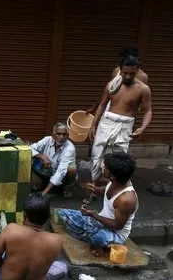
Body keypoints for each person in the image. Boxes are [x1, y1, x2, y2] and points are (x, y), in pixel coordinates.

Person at [57, 152, 138, 257]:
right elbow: (105, 190)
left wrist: (93, 215)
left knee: (97, 237)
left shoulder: (126, 200)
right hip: (100, 221)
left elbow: (117, 226)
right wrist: (93, 189)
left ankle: (96, 241)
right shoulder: (117, 180)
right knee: (63, 214)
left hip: (115, 233)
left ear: (113, 175)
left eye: (105, 167)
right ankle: (90, 236)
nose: (102, 168)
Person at [88, 55, 152, 183]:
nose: (128, 76)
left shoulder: (143, 89)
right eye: (125, 73)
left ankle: (114, 188)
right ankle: (93, 186)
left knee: (118, 159)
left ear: (137, 71)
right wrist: (93, 125)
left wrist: (142, 128)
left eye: (132, 74)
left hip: (125, 125)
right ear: (120, 70)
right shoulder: (111, 85)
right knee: (97, 156)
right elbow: (102, 104)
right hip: (106, 122)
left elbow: (148, 111)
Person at [86, 46, 149, 116]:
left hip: (126, 113)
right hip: (109, 107)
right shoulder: (117, 71)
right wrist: (94, 107)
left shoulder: (143, 77)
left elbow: (141, 101)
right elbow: (107, 92)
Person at [30, 122, 77, 197]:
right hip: (50, 168)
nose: (61, 137)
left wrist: (43, 194)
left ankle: (64, 187)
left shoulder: (70, 148)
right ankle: (45, 183)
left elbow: (61, 171)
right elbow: (30, 149)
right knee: (31, 158)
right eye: (58, 134)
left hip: (62, 173)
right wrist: (43, 157)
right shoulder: (47, 140)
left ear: (67, 136)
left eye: (64, 134)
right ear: (53, 135)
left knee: (71, 169)